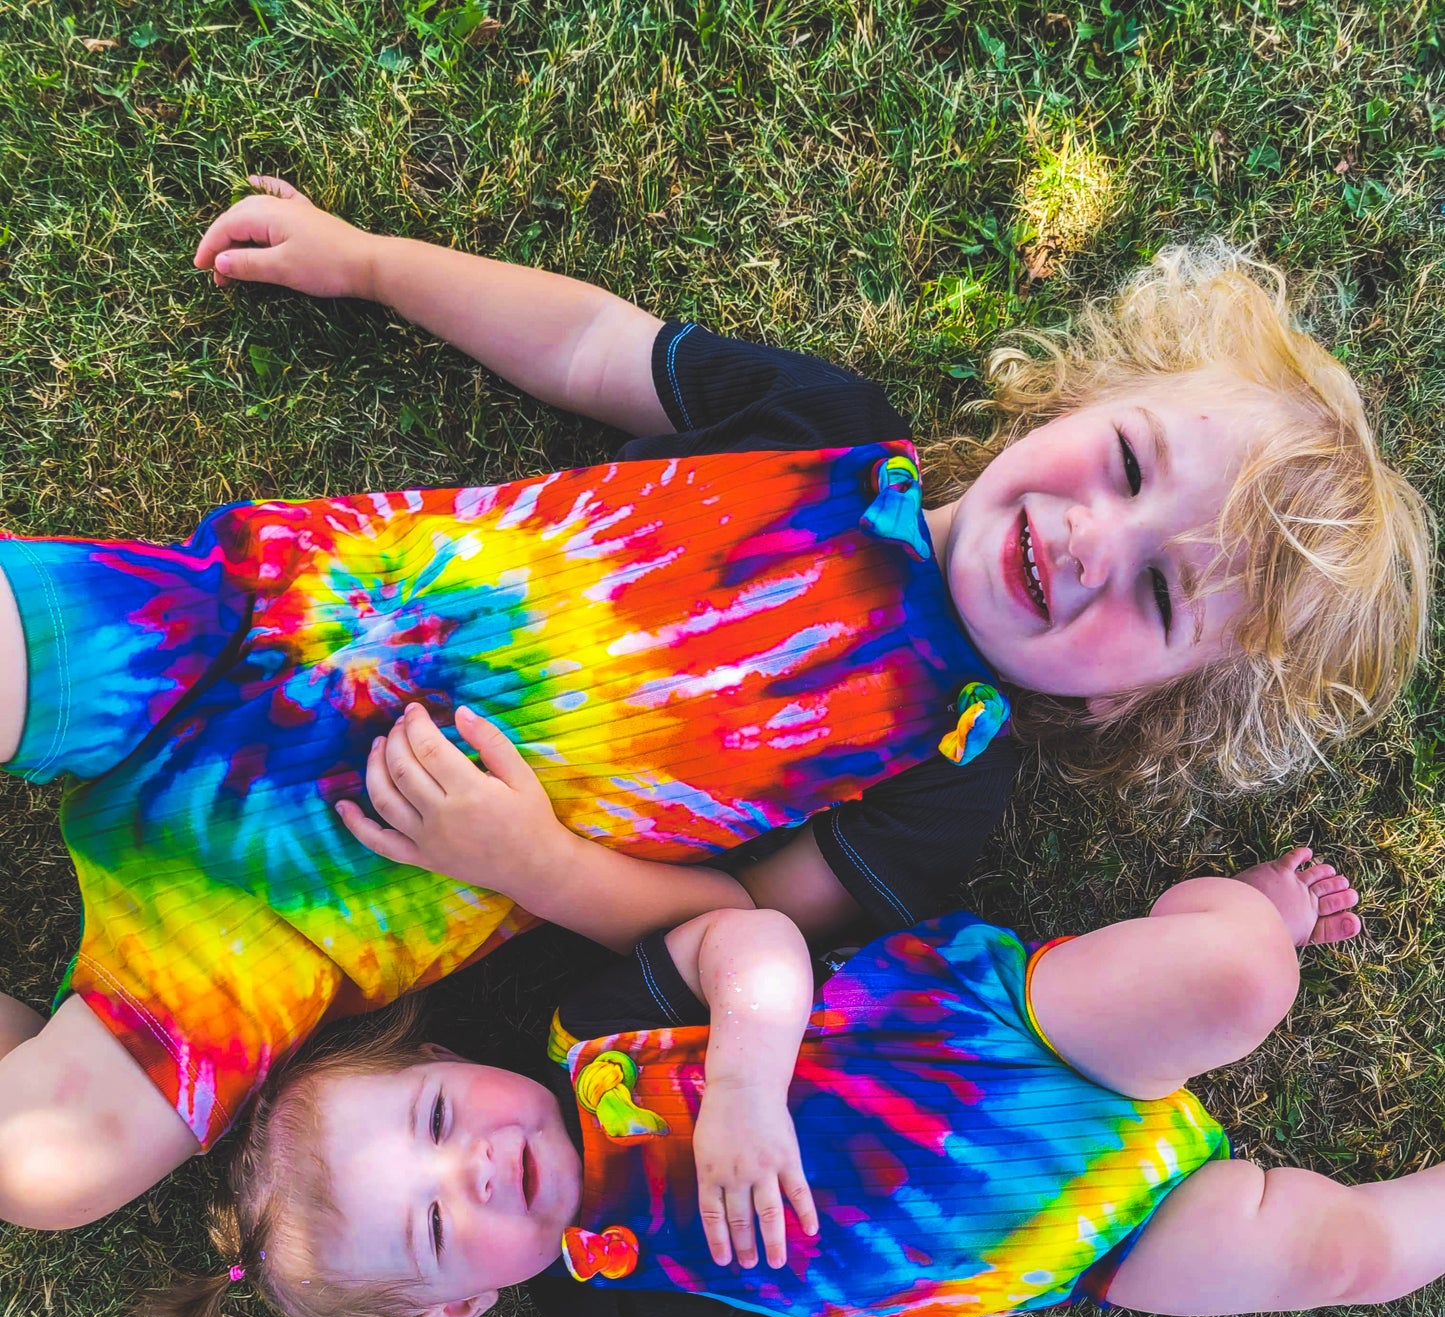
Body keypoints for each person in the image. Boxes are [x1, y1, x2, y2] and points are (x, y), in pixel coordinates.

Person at [0, 178, 1428, 1230]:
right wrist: (373, 262)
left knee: (51, 1172)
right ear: (1081, 397)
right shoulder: (831, 433)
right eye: (1122, 462)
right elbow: (587, 347)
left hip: (314, 898)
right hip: (246, 627)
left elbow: (721, 924)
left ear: (1150, 703)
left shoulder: (948, 774)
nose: (1090, 542)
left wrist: (530, 865)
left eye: (1162, 600)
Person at [157, 845, 1438, 1317]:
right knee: (1340, 1253)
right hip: (1088, 1238)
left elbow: (750, 937)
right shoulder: (601, 1309)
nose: (476, 1167)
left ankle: (1246, 903)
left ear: (444, 1058)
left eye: (437, 1117)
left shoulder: (585, 1026)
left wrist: (748, 1081)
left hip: (991, 1038)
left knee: (1232, 975)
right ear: (457, 1307)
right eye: (437, 1224)